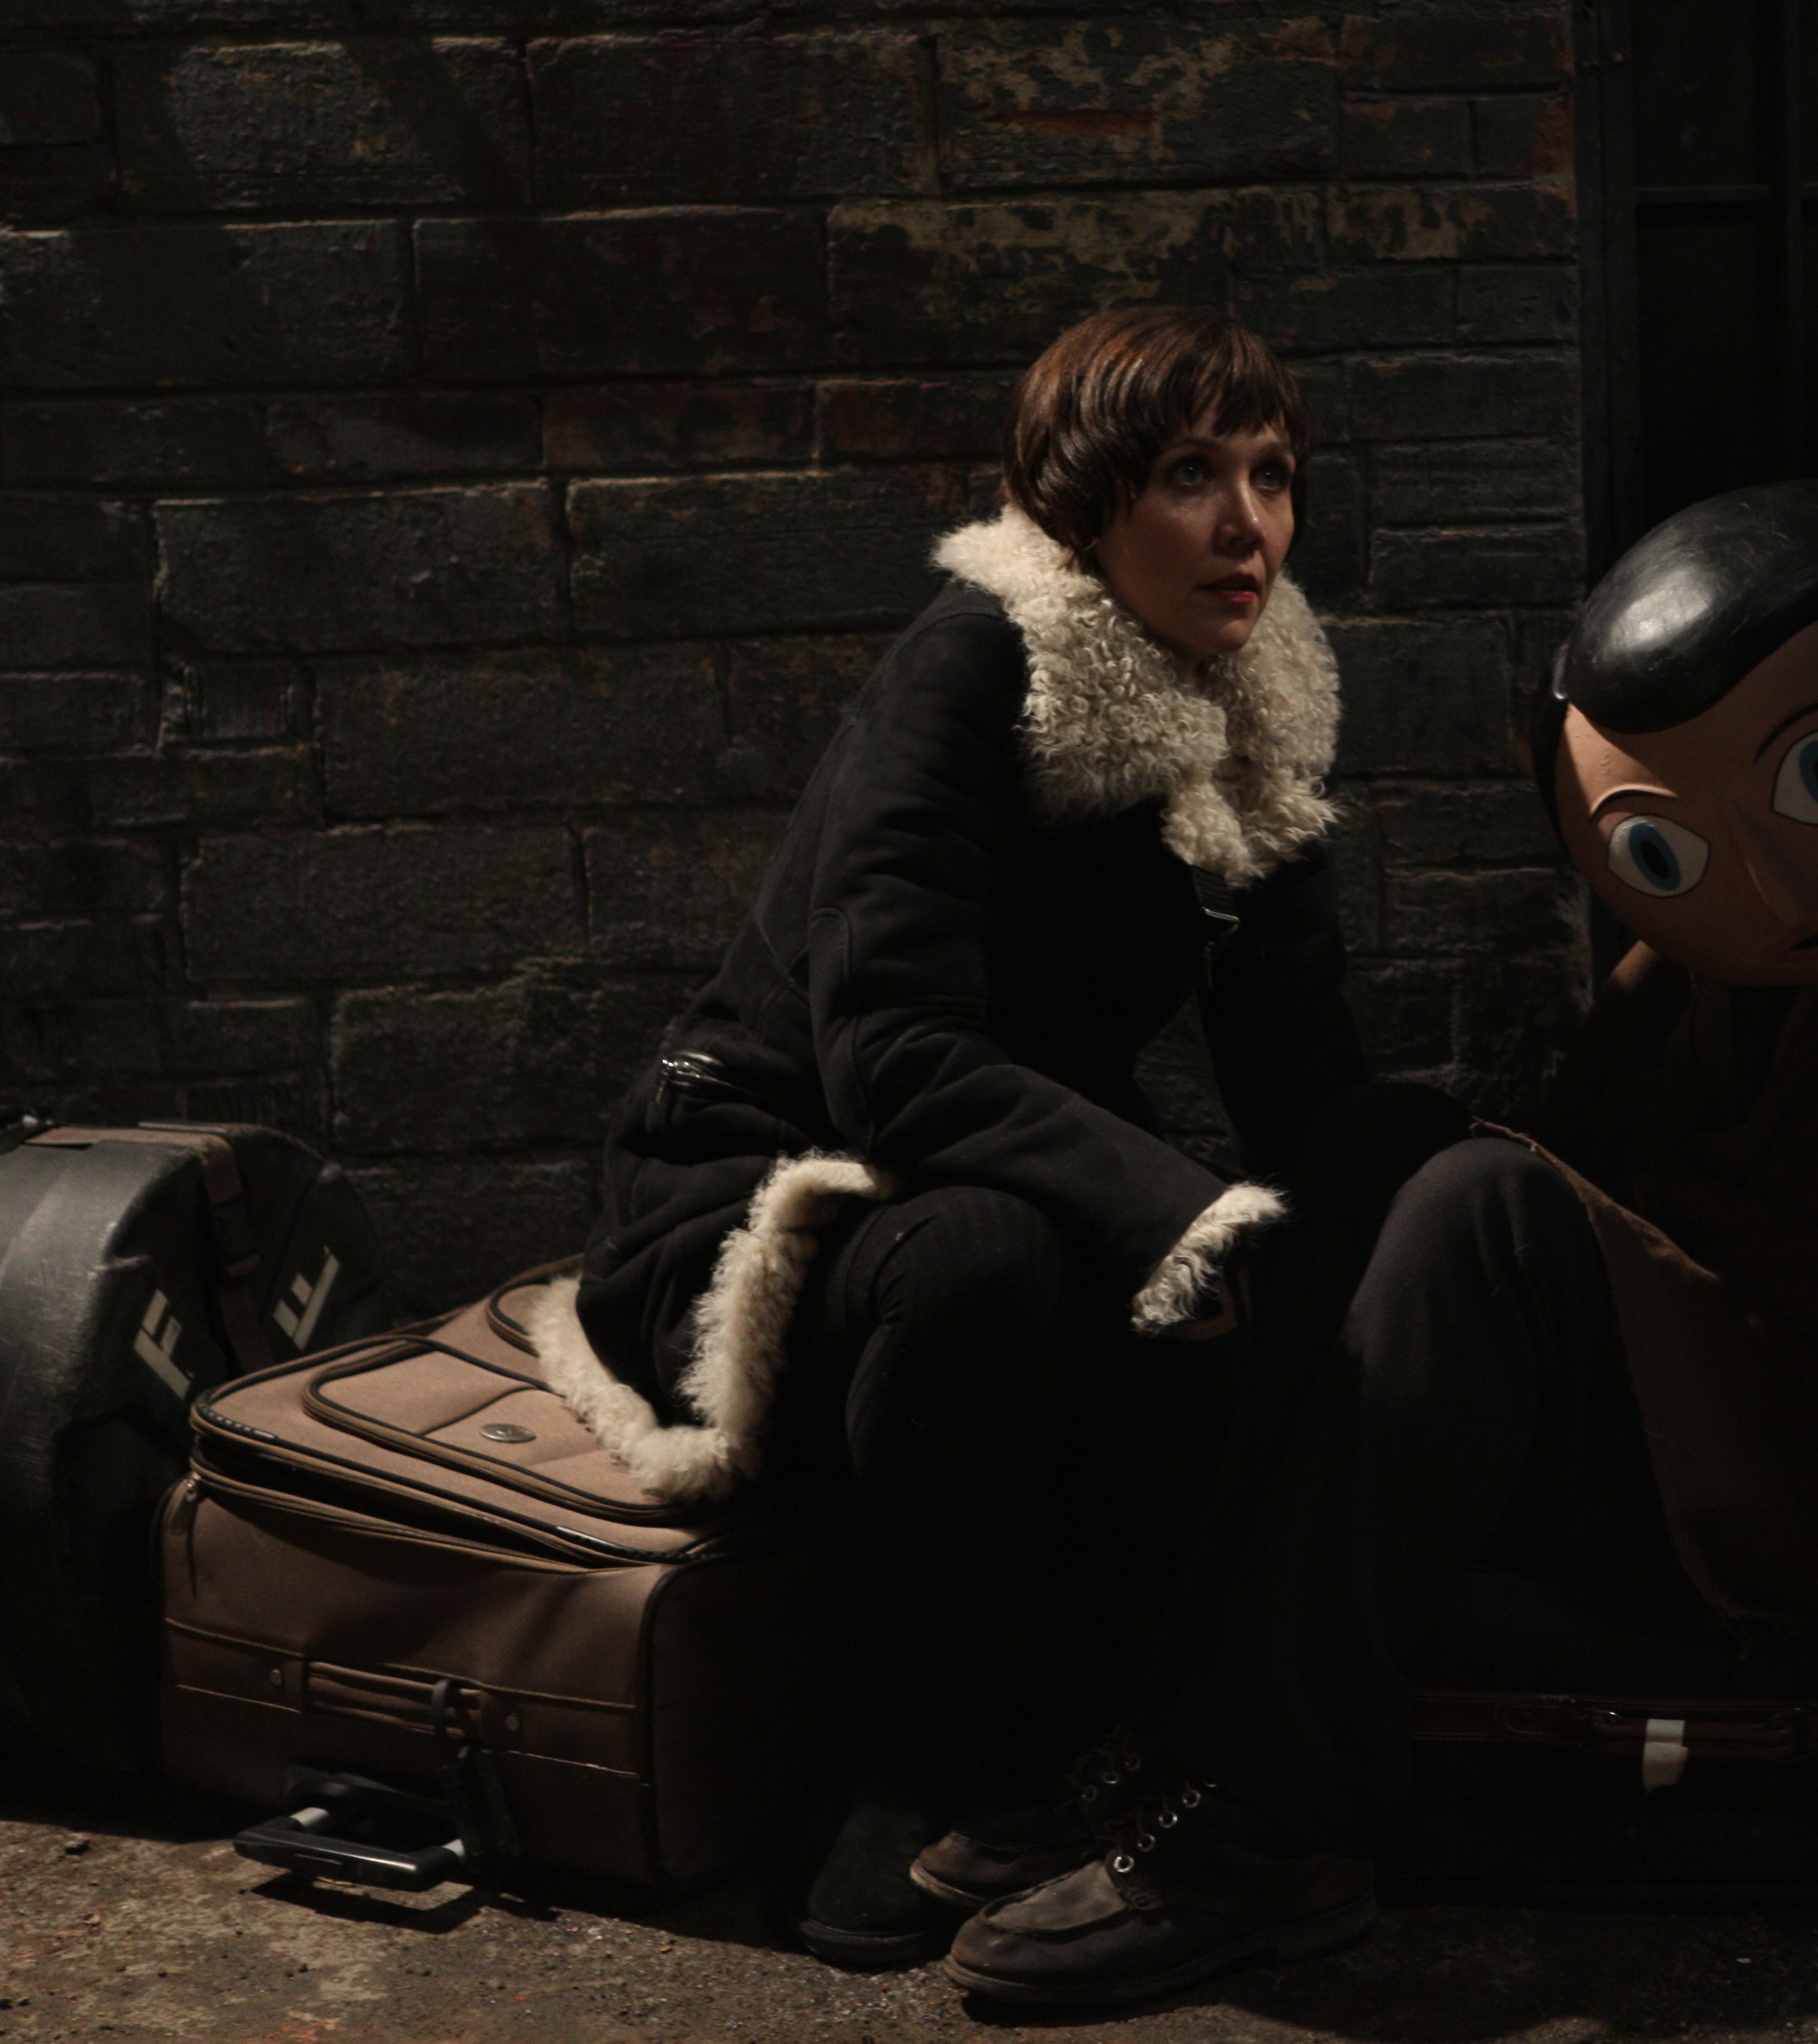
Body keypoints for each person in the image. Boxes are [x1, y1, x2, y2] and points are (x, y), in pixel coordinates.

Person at [929, 477, 1818, 2010]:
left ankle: (1266, 1830)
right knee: (1376, 1143)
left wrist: (1765, 1279)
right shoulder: (1713, 958)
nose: (1774, 883)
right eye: (1669, 851)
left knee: (1482, 1211)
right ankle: (1179, 1740)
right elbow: (1594, 1180)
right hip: (1711, 1412)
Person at [531, 305, 1363, 1965]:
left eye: (1272, 475)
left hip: (1000, 1176)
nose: (1246, 524)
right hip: (767, 1192)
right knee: (998, 1266)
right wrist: (1172, 1213)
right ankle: (905, 1768)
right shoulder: (978, 661)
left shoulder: (1257, 695)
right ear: (1084, 501)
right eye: (1190, 476)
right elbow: (892, 1058)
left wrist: (1397, 1223)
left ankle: (1120, 1742)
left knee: (1254, 1252)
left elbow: (1298, 1070)